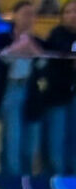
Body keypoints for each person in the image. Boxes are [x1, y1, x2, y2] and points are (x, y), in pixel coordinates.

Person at [0, 2, 45, 177]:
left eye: (32, 15)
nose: (28, 18)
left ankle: (27, 180)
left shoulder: (39, 41)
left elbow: (44, 67)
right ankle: (11, 180)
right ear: (14, 16)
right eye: (24, 14)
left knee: (30, 143)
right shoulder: (0, 39)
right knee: (12, 139)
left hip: (32, 92)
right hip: (10, 90)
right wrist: (15, 49)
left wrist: (34, 50)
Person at [45, 3, 76, 176]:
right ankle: (57, 177)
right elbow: (62, 52)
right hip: (58, 96)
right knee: (57, 139)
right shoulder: (56, 34)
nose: (73, 15)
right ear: (62, 16)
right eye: (69, 12)